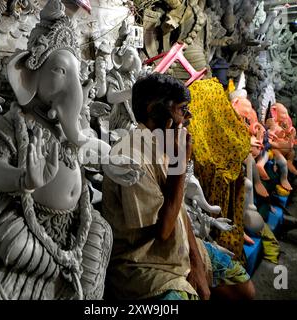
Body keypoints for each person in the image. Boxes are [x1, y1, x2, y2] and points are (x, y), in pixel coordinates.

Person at [102, 73, 255, 300]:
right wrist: (179, 163)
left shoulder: (164, 141)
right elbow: (163, 232)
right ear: (154, 109)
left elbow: (180, 214)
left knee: (244, 290)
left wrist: (196, 263)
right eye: (183, 109)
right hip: (143, 263)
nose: (189, 116)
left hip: (178, 248)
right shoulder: (128, 156)